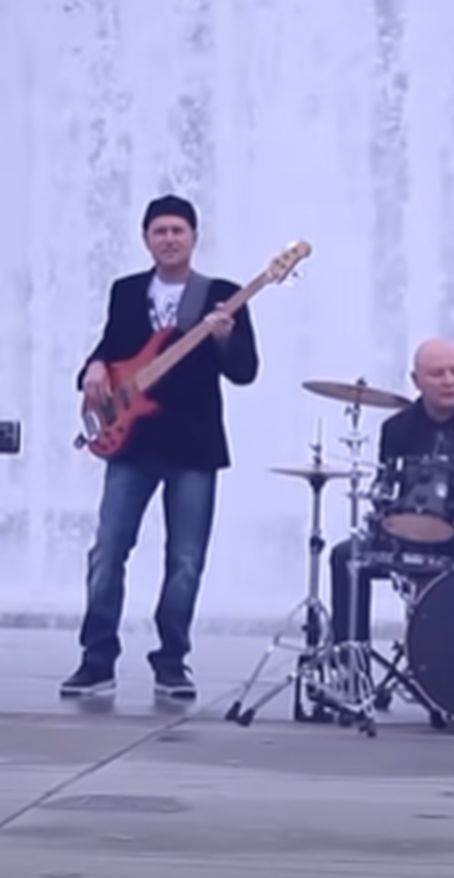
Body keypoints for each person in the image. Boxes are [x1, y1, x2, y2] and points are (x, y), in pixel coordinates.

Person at [60, 195, 259, 700]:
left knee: (185, 560)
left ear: (194, 237)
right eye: (160, 231)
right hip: (132, 443)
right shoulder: (126, 291)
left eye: (178, 230)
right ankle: (96, 659)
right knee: (108, 550)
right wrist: (93, 366)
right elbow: (112, 347)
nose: (169, 239)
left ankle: (172, 661)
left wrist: (223, 339)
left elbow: (245, 372)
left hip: (194, 445)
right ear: (146, 239)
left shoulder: (222, 295)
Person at [329, 338, 454, 643]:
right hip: (418, 538)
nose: (449, 380)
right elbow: (389, 488)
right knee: (346, 556)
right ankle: (351, 658)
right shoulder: (397, 428)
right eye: (437, 374)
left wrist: (446, 466)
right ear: (416, 381)